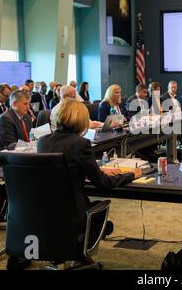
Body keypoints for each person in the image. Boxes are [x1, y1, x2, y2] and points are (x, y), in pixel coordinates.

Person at [37, 100, 141, 264]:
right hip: (73, 214)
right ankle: (81, 255)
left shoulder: (42, 142)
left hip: (45, 211)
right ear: (81, 120)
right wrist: (130, 174)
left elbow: (62, 169)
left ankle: (68, 252)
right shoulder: (80, 143)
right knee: (100, 209)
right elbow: (102, 183)